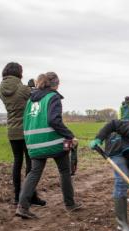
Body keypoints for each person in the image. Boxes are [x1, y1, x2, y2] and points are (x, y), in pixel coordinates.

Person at [16, 72, 82, 219]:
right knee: (65, 170)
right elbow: (54, 121)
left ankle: (22, 206)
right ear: (56, 84)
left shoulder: (31, 100)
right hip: (53, 141)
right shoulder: (53, 97)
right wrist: (70, 136)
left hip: (33, 143)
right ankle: (70, 204)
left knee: (34, 172)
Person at [0, 62, 45, 207]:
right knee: (31, 164)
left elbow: (17, 99)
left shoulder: (1, 88)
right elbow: (35, 97)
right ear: (19, 72)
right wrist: (32, 87)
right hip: (25, 130)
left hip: (11, 130)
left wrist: (28, 88)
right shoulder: (23, 88)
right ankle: (30, 196)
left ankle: (17, 196)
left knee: (17, 162)